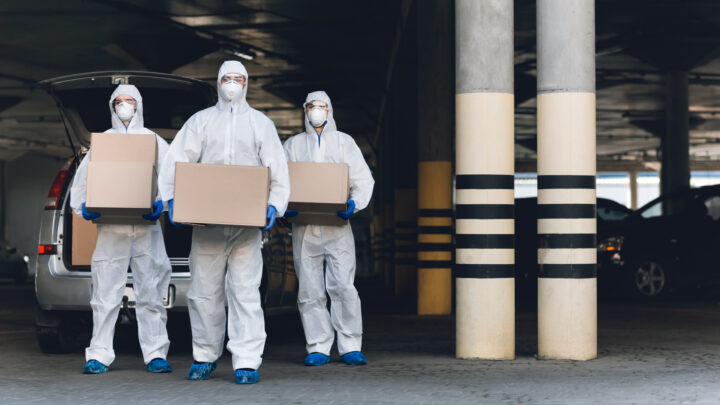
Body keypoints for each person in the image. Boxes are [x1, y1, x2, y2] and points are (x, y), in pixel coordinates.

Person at [158, 60, 290, 385]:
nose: (232, 84)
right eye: (227, 78)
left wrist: (275, 205)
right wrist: (171, 198)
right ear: (218, 82)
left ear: (246, 83)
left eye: (238, 79)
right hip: (207, 226)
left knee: (244, 292)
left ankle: (246, 361)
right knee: (204, 292)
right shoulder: (201, 122)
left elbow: (277, 167)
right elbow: (176, 161)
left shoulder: (261, 124)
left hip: (247, 227)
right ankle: (205, 355)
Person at [70, 84, 172, 375]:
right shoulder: (102, 143)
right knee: (104, 293)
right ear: (111, 106)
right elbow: (82, 182)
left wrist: (162, 204)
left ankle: (155, 353)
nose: (124, 106)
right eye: (119, 101)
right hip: (111, 229)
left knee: (152, 290)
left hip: (146, 229)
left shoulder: (154, 141)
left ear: (139, 105)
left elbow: (170, 178)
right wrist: (83, 207)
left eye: (129, 101)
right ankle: (99, 354)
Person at [283, 91, 374, 367]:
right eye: (311, 106)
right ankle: (318, 346)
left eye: (321, 106)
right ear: (305, 110)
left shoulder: (344, 142)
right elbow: (280, 180)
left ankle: (350, 345)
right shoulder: (293, 144)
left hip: (337, 225)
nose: (316, 111)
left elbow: (363, 180)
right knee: (309, 288)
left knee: (344, 285)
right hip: (304, 226)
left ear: (329, 110)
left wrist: (353, 204)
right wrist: (284, 206)